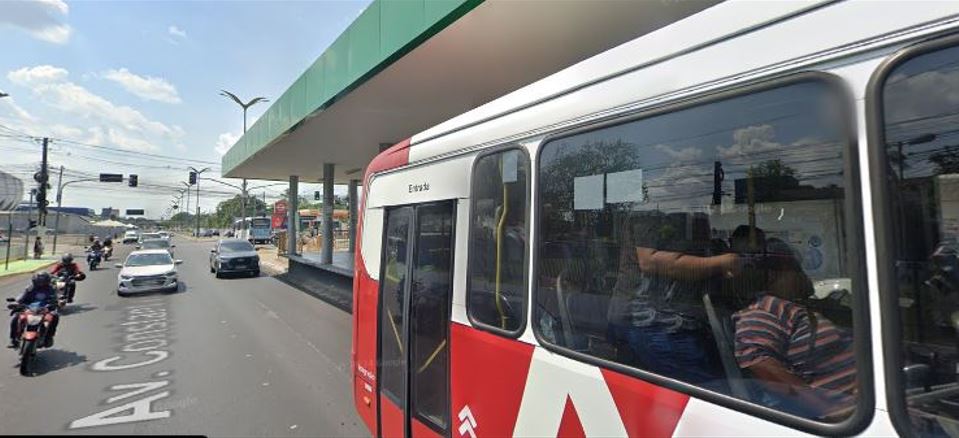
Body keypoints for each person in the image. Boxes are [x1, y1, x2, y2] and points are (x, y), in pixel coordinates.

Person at [732, 237, 857, 420]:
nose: (802, 275)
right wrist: (828, 410)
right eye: (795, 269)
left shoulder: (800, 306)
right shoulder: (764, 311)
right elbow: (762, 364)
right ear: (773, 275)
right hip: (848, 412)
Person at [8, 272, 60, 349]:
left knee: (55, 316)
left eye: (43, 282)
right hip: (29, 308)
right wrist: (16, 304)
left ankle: (49, 337)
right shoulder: (30, 288)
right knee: (16, 318)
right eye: (38, 282)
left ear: (47, 281)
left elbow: (54, 299)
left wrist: (51, 306)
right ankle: (13, 339)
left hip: (44, 309)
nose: (40, 284)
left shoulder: (51, 289)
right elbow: (21, 297)